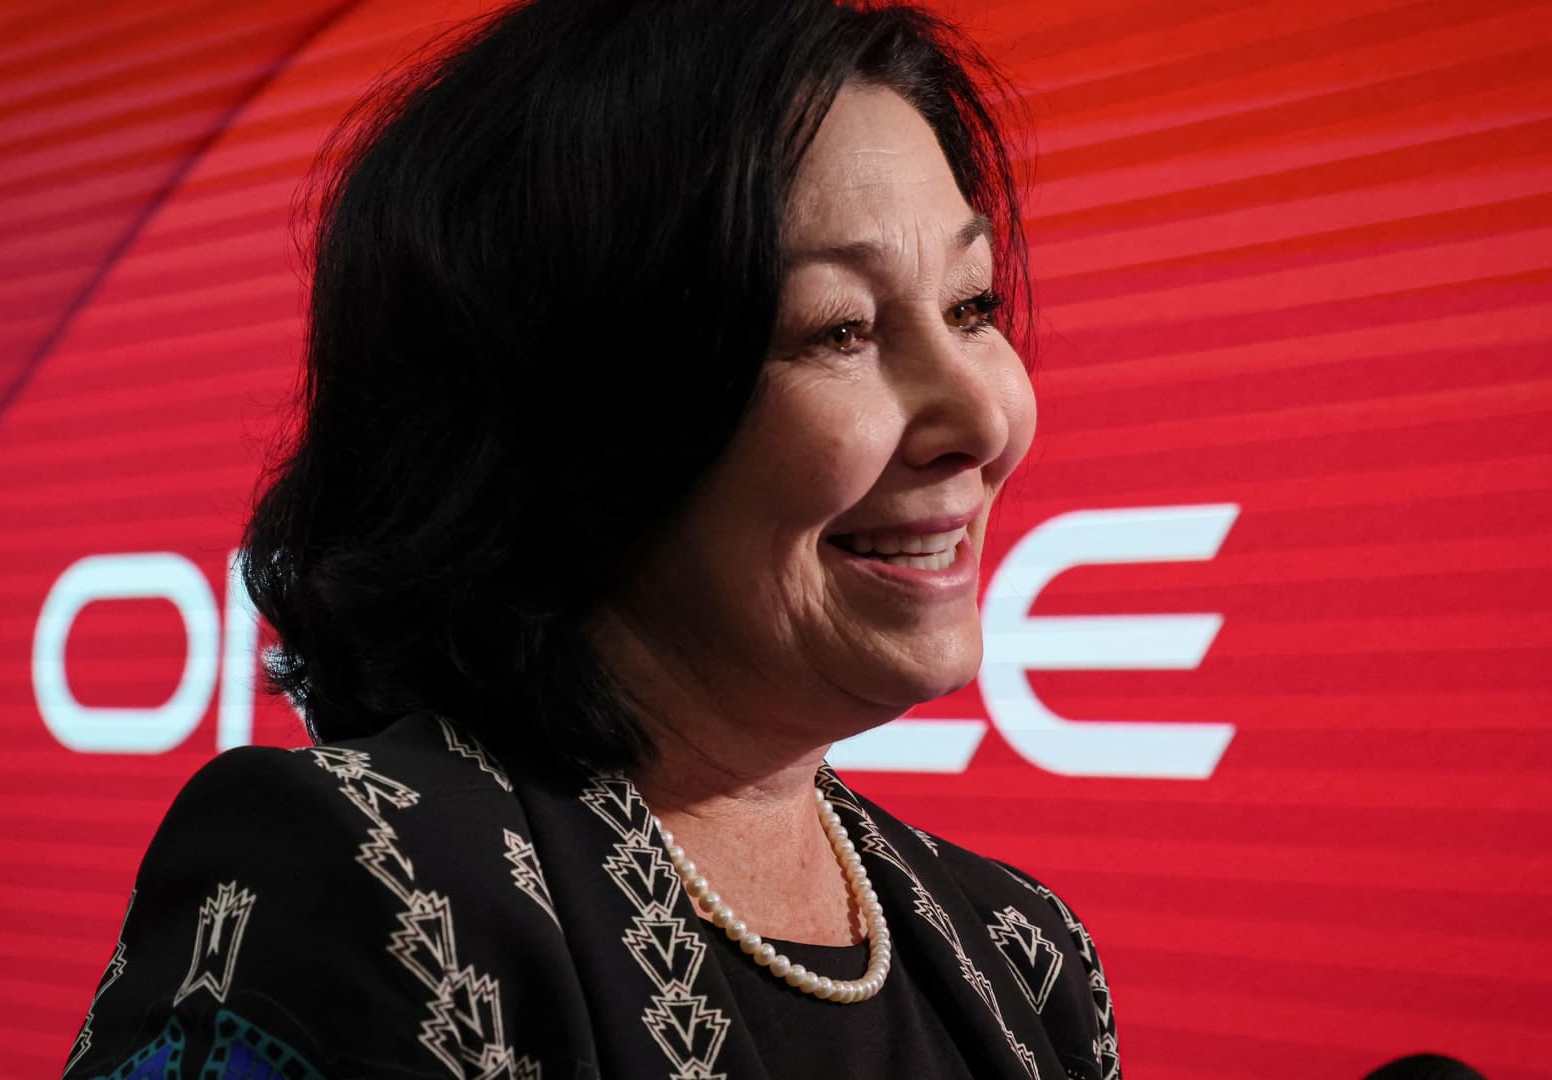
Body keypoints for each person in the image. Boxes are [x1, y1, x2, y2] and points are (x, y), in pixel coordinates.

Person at [62, 1, 1120, 1077]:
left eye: (972, 306)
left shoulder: (1028, 958)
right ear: (582, 415)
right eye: (839, 329)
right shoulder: (362, 879)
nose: (982, 420)